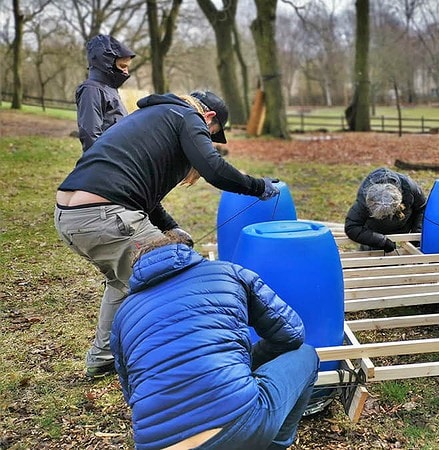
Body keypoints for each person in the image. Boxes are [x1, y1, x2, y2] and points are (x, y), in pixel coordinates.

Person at [55, 90, 281, 379]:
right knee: (178, 275)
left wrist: (170, 227)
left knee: (121, 282)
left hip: (70, 216)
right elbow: (214, 169)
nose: (207, 141)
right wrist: (257, 186)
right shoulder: (189, 116)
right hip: (106, 216)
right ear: (209, 117)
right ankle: (193, 361)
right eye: (211, 135)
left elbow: (141, 195)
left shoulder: (151, 117)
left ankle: (103, 357)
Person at [109, 232, 319, 450]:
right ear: (186, 251)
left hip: (154, 444)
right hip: (238, 426)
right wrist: (249, 360)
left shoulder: (123, 315)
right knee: (305, 354)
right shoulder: (226, 271)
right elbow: (291, 335)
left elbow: (131, 391)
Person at [76, 34, 136, 151]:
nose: (126, 71)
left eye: (127, 67)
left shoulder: (110, 89)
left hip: (118, 158)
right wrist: (100, 164)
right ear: (107, 63)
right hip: (105, 162)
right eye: (122, 66)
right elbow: (90, 135)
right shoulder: (92, 90)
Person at [345, 167, 427, 252]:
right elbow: (352, 227)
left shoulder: (409, 187)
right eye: (382, 215)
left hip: (405, 225)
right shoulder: (363, 199)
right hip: (376, 230)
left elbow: (422, 208)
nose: (387, 217)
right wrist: (381, 241)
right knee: (372, 257)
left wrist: (416, 236)